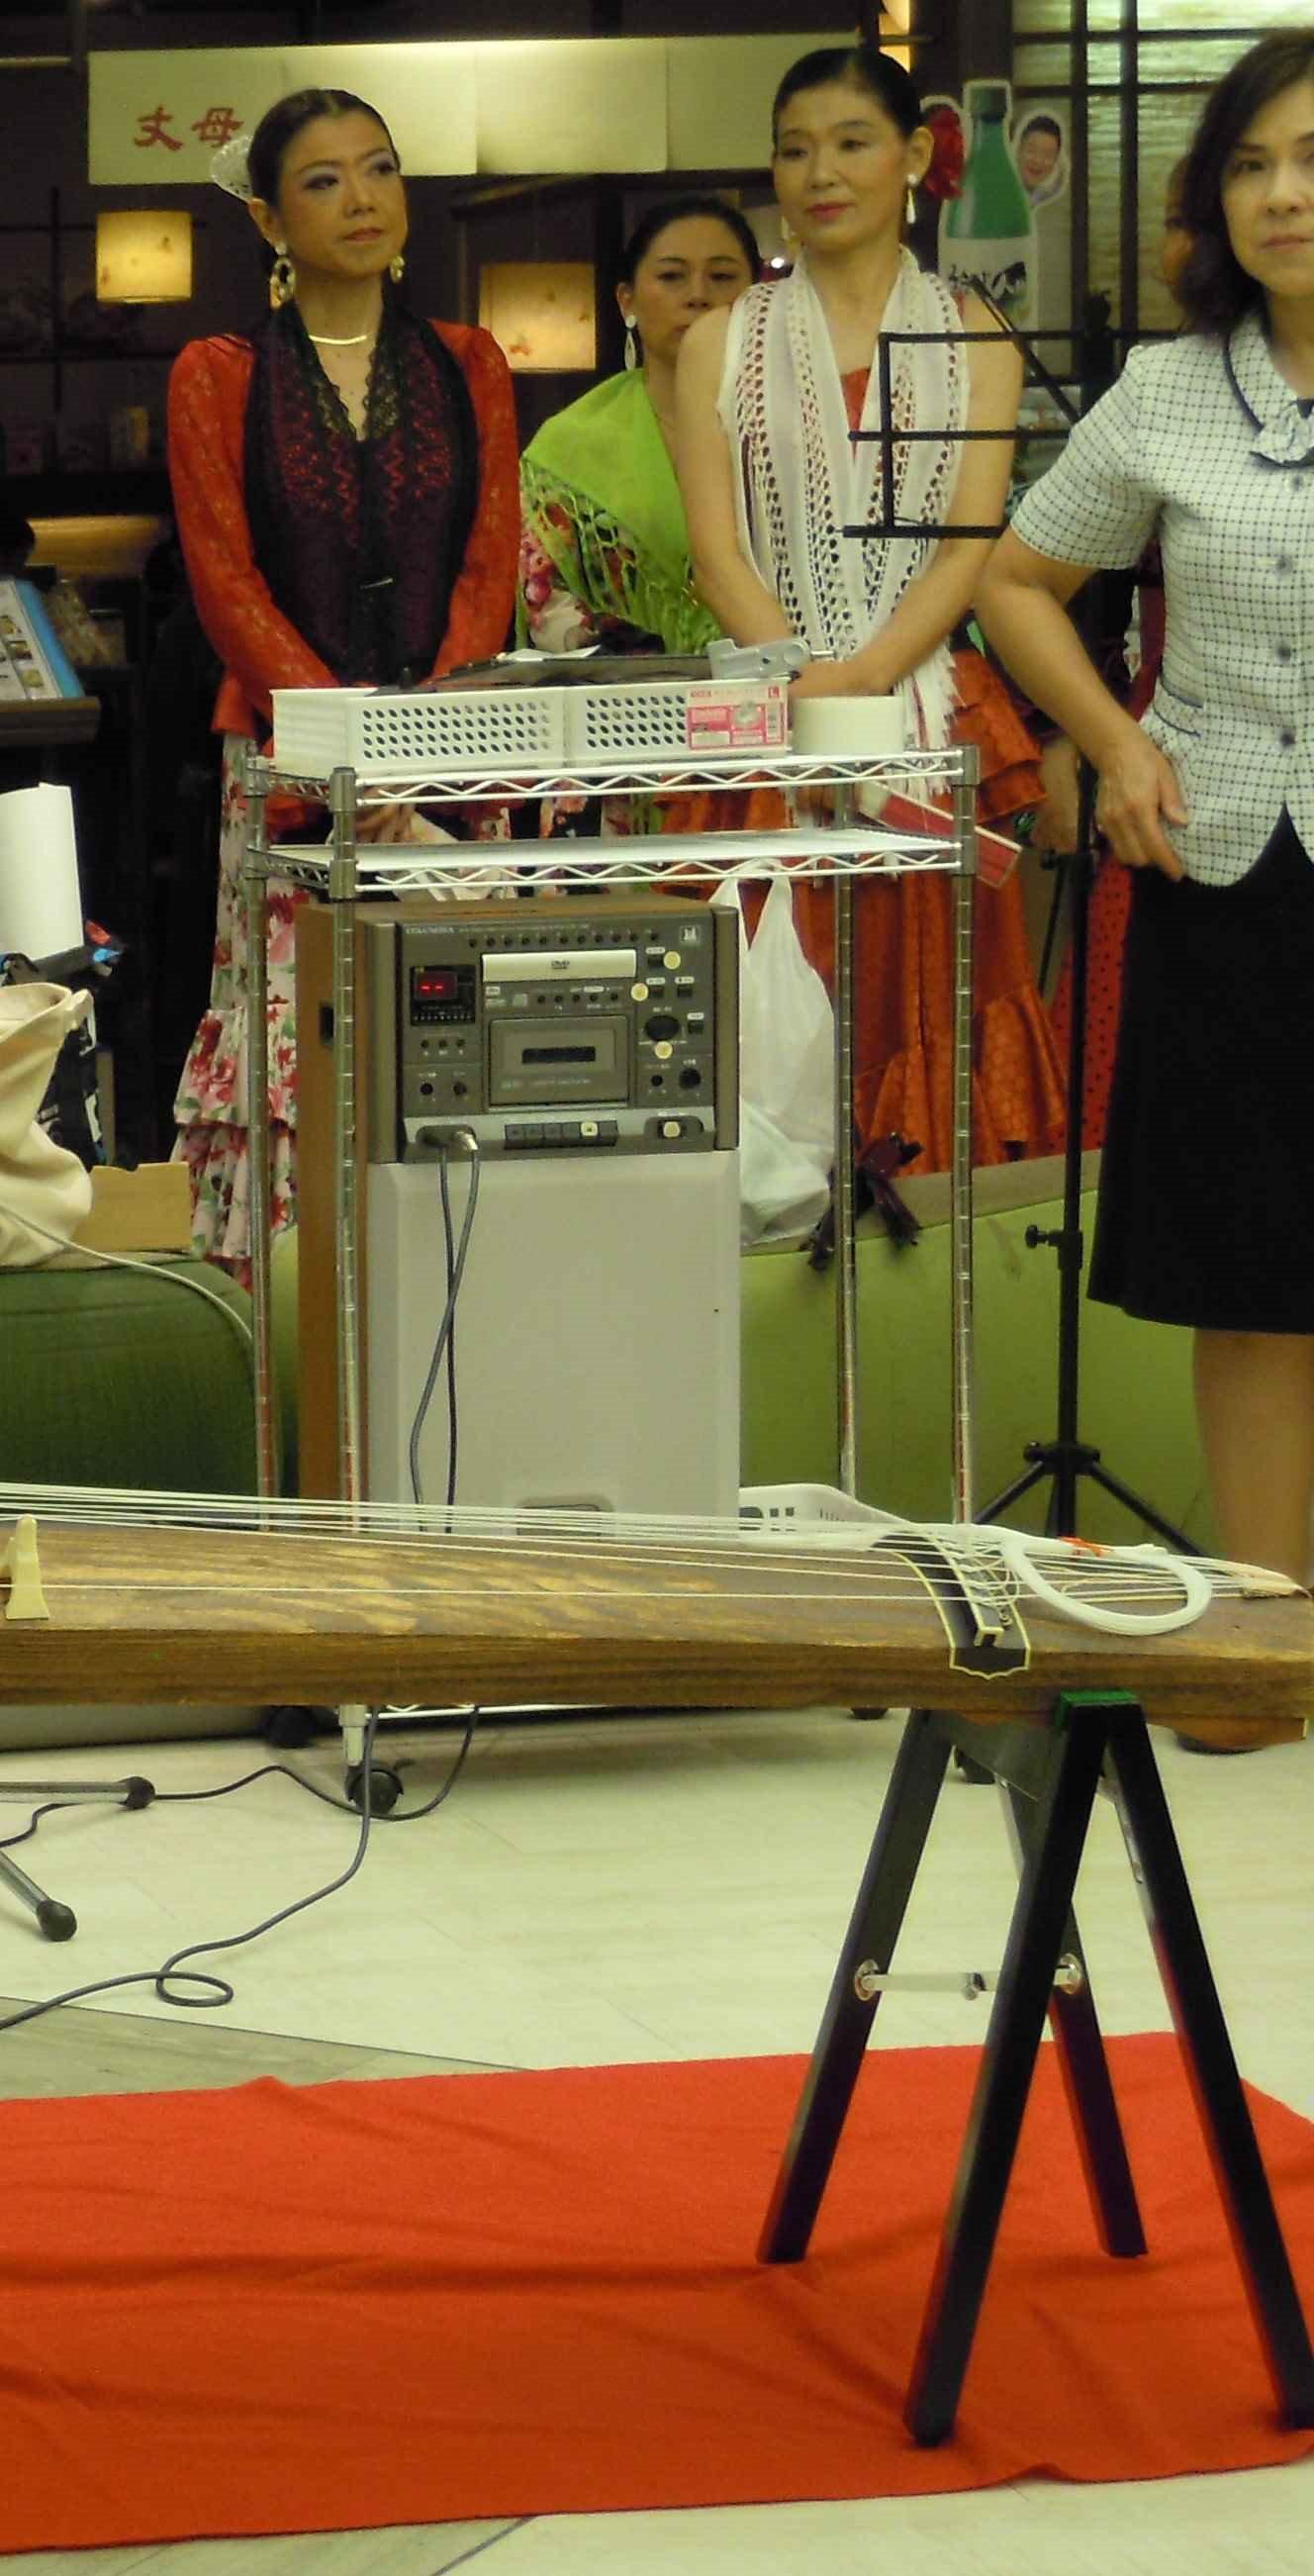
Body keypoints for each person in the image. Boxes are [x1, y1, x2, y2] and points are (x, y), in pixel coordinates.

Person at [976, 27, 1314, 1612]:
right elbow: (1018, 586)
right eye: (1251, 166)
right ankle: (1262, 1630)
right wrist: (1112, 743)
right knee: (1253, 1276)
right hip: (1226, 865)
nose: (1282, 196)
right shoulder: (1172, 395)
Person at [677, 46, 1066, 1175]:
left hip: (929, 705)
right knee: (754, 991)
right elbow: (716, 552)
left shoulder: (973, 332)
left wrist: (860, 679)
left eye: (850, 143)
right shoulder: (720, 337)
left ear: (914, 157)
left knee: (933, 985)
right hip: (765, 712)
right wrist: (802, 677)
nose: (818, 172)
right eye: (793, 149)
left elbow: (966, 549)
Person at [163, 89, 522, 1266]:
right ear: (269, 221)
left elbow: (487, 566)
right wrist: (354, 760)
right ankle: (295, 1340)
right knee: (302, 1053)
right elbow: (227, 588)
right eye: (322, 180)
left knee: (450, 1051)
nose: (360, 198)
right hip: (286, 771)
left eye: (378, 169)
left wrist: (428, 756)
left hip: (455, 773)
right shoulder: (215, 375)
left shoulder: (470, 361)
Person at [521, 198, 763, 657]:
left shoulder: (795, 428)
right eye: (672, 276)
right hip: (619, 710)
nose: (698, 295)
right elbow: (546, 601)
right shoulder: (569, 442)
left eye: (722, 277)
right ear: (626, 299)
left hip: (778, 689)